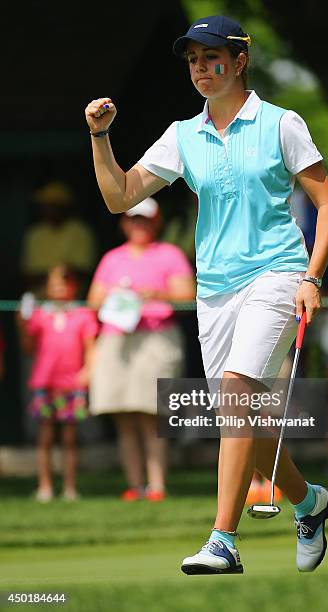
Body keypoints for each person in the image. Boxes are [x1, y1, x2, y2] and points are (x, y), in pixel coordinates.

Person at [84, 15, 328, 574]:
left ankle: (223, 539)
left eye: (212, 56)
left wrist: (313, 276)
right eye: (194, 60)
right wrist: (100, 138)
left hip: (276, 274)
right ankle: (309, 501)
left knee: (234, 396)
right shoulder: (182, 135)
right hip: (215, 290)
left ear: (239, 58)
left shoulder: (282, 123)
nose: (201, 67)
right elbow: (120, 197)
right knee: (248, 415)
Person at [87, 197, 195, 501]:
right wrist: (116, 295)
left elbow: (187, 294)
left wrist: (154, 294)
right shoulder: (112, 259)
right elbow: (93, 301)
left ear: (156, 222)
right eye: (134, 220)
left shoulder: (170, 254)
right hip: (118, 339)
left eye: (145, 220)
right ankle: (134, 486)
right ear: (125, 224)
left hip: (156, 338)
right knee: (124, 416)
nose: (139, 225)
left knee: (152, 414)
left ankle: (157, 485)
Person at [17, 264, 98, 501]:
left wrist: (88, 371)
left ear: (74, 286)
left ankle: (70, 487)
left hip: (72, 384)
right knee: (45, 437)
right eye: (54, 284)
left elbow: (90, 346)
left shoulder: (83, 313)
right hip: (45, 383)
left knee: (70, 438)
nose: (59, 288)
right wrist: (22, 323)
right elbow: (27, 347)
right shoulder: (40, 314)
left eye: (64, 283)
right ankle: (45, 486)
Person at [21, 181, 97, 294]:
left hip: (72, 301)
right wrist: (56, 275)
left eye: (55, 205)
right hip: (38, 301)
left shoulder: (80, 232)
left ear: (66, 206)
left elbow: (85, 272)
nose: (50, 209)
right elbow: (27, 274)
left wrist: (60, 276)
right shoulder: (35, 233)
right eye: (46, 205)